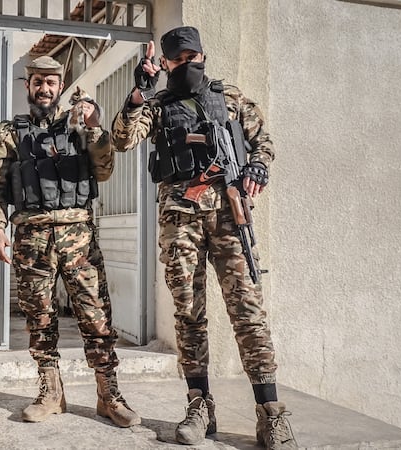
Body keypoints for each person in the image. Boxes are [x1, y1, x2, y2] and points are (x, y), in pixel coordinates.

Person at [111, 26, 297, 449]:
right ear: (166, 62)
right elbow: (123, 139)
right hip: (180, 221)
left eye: (190, 55)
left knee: (248, 312)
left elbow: (262, 139)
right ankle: (199, 404)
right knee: (189, 313)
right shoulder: (157, 104)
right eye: (175, 59)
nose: (184, 64)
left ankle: (271, 413)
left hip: (230, 216)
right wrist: (138, 93)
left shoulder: (229, 96)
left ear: (202, 55)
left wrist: (257, 167)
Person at [0, 56, 140, 428]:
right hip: (31, 235)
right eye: (38, 81)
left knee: (96, 316)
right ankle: (51, 392)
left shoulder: (79, 124)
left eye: (52, 82)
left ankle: (109, 395)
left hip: (78, 234)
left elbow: (104, 169)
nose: (45, 88)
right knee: (39, 318)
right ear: (28, 85)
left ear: (60, 85)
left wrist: (95, 130)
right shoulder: (9, 130)